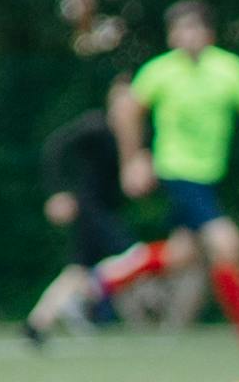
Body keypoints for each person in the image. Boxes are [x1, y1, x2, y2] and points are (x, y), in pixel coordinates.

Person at [113, 4, 239, 363]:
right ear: (171, 36)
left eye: (194, 29)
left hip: (210, 176)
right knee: (227, 243)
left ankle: (101, 284)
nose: (187, 37)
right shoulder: (160, 71)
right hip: (176, 172)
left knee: (179, 255)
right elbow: (128, 113)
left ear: (209, 34)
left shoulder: (229, 69)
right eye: (180, 30)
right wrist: (133, 159)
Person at [23, 98, 176, 345]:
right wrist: (58, 191)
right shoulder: (96, 127)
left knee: (77, 270)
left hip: (108, 210)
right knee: (134, 257)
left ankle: (36, 324)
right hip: (91, 210)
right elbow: (56, 148)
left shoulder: (140, 136)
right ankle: (84, 299)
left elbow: (138, 180)